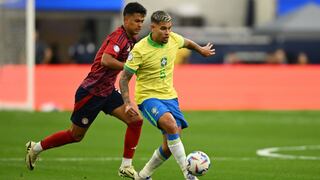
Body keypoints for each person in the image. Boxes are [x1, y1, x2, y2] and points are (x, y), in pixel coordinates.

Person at [25, 2, 147, 179]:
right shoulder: (118, 38)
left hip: (107, 92)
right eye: (136, 21)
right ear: (126, 19)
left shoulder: (131, 40)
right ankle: (35, 148)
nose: (139, 24)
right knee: (75, 135)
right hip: (91, 93)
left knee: (136, 120)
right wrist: (129, 67)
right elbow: (106, 60)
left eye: (142, 21)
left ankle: (126, 166)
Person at [119, 11, 215, 180]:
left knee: (169, 145)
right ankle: (188, 174)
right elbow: (124, 78)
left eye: (169, 28)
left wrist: (201, 50)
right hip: (148, 98)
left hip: (170, 97)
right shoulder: (140, 49)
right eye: (163, 29)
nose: (167, 33)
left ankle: (143, 176)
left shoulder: (173, 39)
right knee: (171, 125)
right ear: (153, 27)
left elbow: (187, 43)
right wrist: (127, 103)